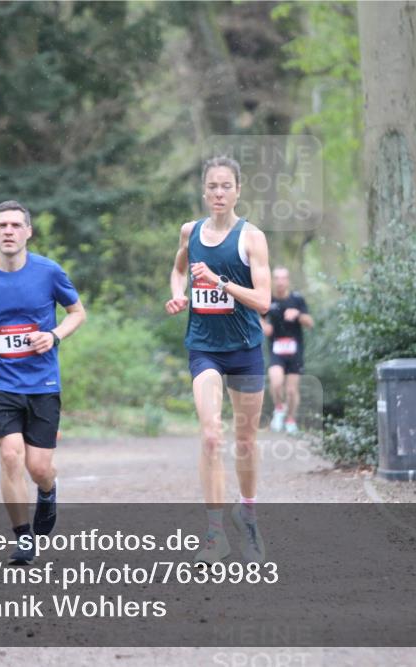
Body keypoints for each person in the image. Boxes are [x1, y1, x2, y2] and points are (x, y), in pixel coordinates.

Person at [0, 200, 86, 564]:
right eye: (2, 226)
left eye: (16, 225)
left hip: (42, 382)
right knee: (11, 456)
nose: (9, 231)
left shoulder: (49, 272)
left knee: (39, 468)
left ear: (28, 232)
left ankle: (48, 492)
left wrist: (55, 336)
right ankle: (23, 536)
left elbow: (77, 313)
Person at [165, 156, 271, 564]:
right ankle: (214, 535)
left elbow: (263, 301)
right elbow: (178, 269)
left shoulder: (252, 238)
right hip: (203, 347)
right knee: (211, 436)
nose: (219, 193)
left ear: (238, 191)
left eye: (226, 186)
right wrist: (180, 293)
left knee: (245, 442)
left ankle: (247, 514)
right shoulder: (189, 232)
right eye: (212, 186)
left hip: (244, 349)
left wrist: (221, 282)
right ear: (204, 191)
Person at [262, 267, 313, 434]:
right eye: (276, 278)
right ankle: (279, 408)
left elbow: (309, 323)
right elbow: (259, 319)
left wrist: (298, 315)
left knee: (291, 390)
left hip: (294, 351)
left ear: (288, 280)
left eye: (283, 278)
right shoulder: (267, 300)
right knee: (276, 382)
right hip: (276, 350)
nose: (280, 281)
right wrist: (264, 327)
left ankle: (291, 420)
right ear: (272, 280)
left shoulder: (297, 299)